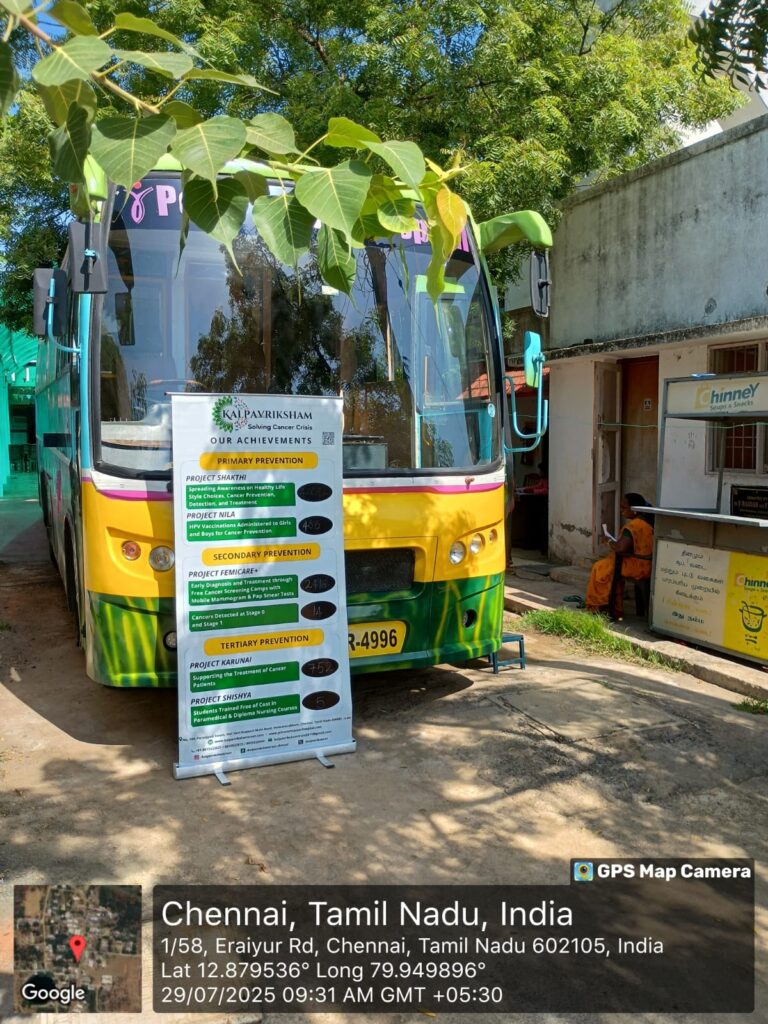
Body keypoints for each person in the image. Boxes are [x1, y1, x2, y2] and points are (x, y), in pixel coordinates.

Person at [586, 493, 654, 619]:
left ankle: (601, 605)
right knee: (606, 565)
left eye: (624, 508)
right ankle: (612, 606)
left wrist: (609, 541)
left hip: (636, 566)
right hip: (647, 564)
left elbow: (620, 548)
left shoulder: (634, 526)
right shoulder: (647, 522)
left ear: (634, 509)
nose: (621, 511)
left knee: (599, 567)